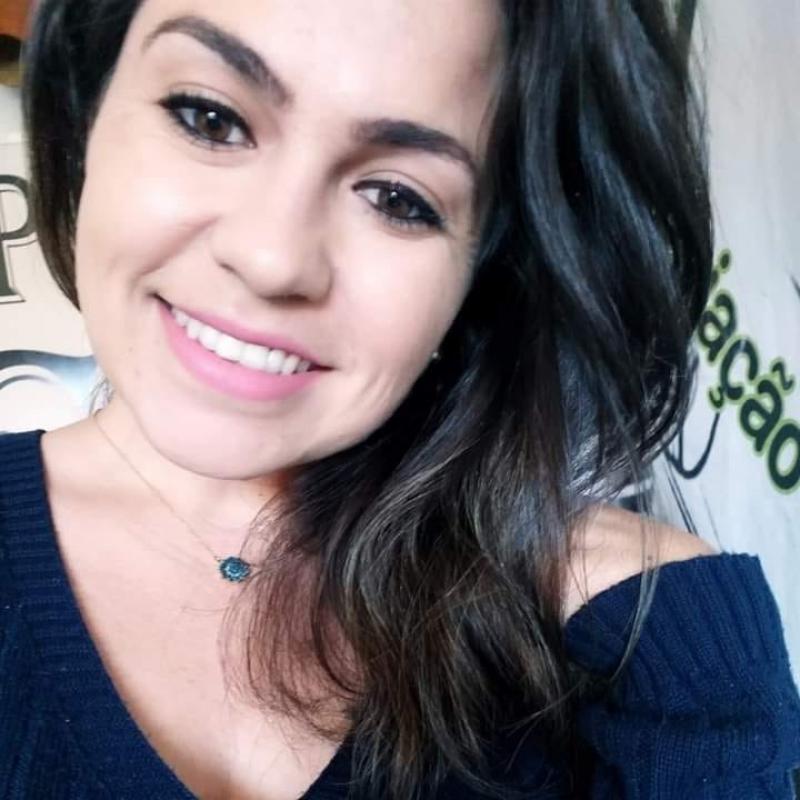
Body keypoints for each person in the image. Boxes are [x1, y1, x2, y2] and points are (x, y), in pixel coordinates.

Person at [1, 0, 798, 798]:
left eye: (397, 198)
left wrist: (669, 623)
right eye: (209, 119)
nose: (272, 257)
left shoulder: (639, 641)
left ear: (483, 271)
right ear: (88, 107)